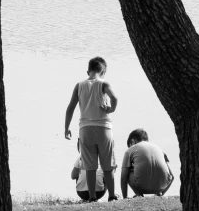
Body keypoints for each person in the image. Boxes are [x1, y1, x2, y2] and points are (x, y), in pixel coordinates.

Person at [64, 56, 119, 202]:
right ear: (103, 71)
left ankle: (92, 197)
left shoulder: (79, 85)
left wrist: (66, 128)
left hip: (85, 128)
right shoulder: (103, 83)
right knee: (107, 164)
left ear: (88, 71)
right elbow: (115, 98)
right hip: (103, 128)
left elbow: (70, 108)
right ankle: (112, 196)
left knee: (89, 165)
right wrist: (111, 109)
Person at [120, 128, 174, 199]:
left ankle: (138, 195)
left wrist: (125, 197)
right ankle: (159, 195)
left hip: (142, 186)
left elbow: (123, 178)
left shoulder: (130, 150)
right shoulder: (159, 149)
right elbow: (172, 177)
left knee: (128, 172)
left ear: (133, 141)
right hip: (161, 186)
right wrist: (162, 192)